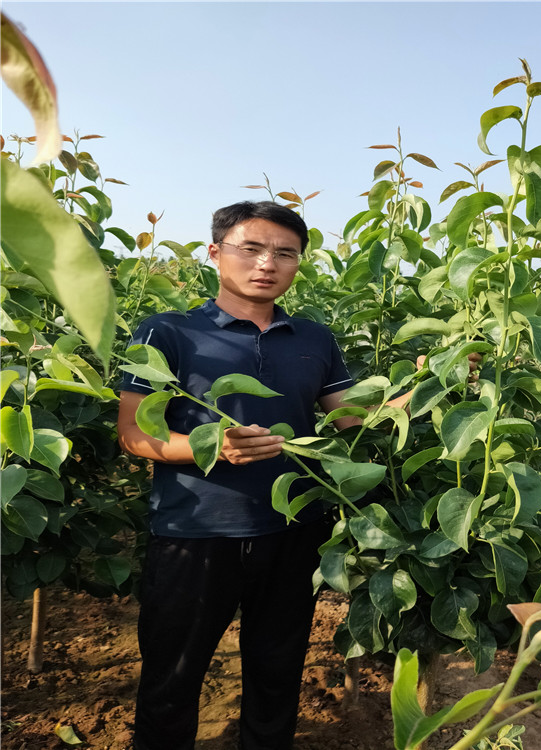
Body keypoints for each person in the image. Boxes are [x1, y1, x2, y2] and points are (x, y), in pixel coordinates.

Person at [118, 201, 365, 750]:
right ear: (215, 254)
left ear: (299, 263)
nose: (266, 264)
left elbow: (354, 417)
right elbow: (133, 434)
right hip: (195, 531)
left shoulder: (315, 338)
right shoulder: (168, 333)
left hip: (294, 530)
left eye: (284, 253)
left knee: (277, 673)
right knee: (172, 677)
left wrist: (426, 382)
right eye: (250, 249)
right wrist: (212, 447)